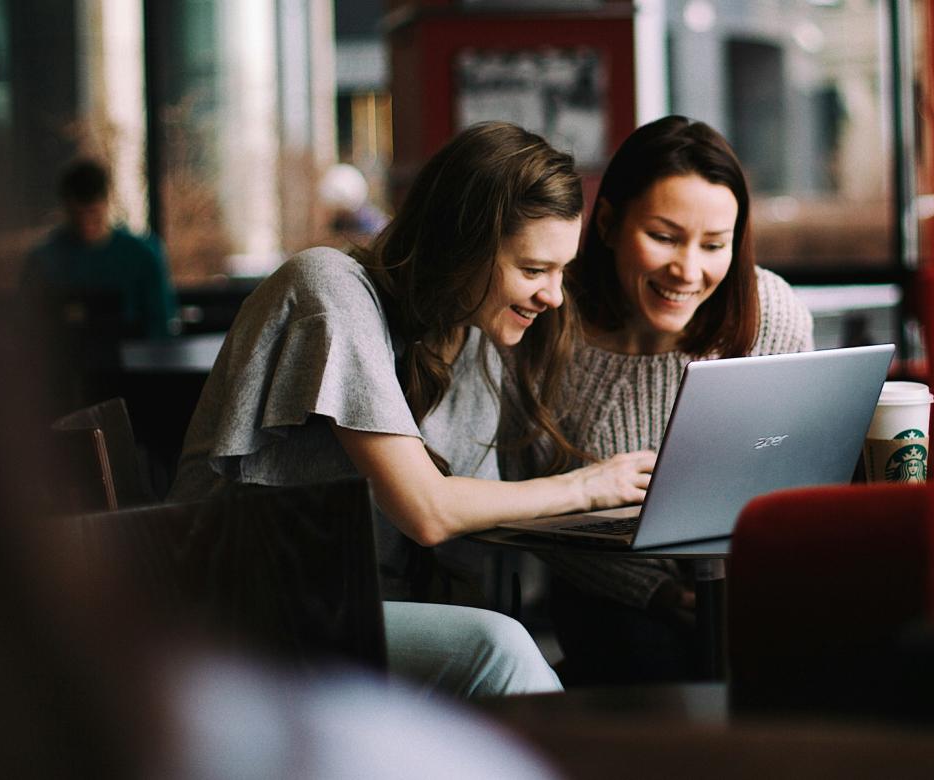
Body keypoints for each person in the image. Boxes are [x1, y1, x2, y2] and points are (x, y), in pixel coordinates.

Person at [168, 121, 656, 698]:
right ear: (462, 245)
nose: (552, 297)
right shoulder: (328, 288)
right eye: (532, 270)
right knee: (500, 650)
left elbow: (479, 509)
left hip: (344, 605)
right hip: (238, 610)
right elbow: (429, 511)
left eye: (560, 272)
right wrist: (588, 488)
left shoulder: (469, 336)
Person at [511, 115, 814, 684]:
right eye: (665, 236)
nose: (689, 270)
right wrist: (657, 592)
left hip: (754, 585)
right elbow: (525, 501)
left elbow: (798, 472)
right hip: (612, 596)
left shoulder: (770, 312)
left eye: (714, 245)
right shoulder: (545, 326)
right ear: (607, 223)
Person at [20, 157, 180, 340]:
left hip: (132, 364)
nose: (85, 224)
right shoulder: (42, 261)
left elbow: (160, 326)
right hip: (59, 364)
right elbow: (27, 328)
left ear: (106, 203)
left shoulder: (143, 256)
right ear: (65, 209)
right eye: (77, 215)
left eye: (93, 214)